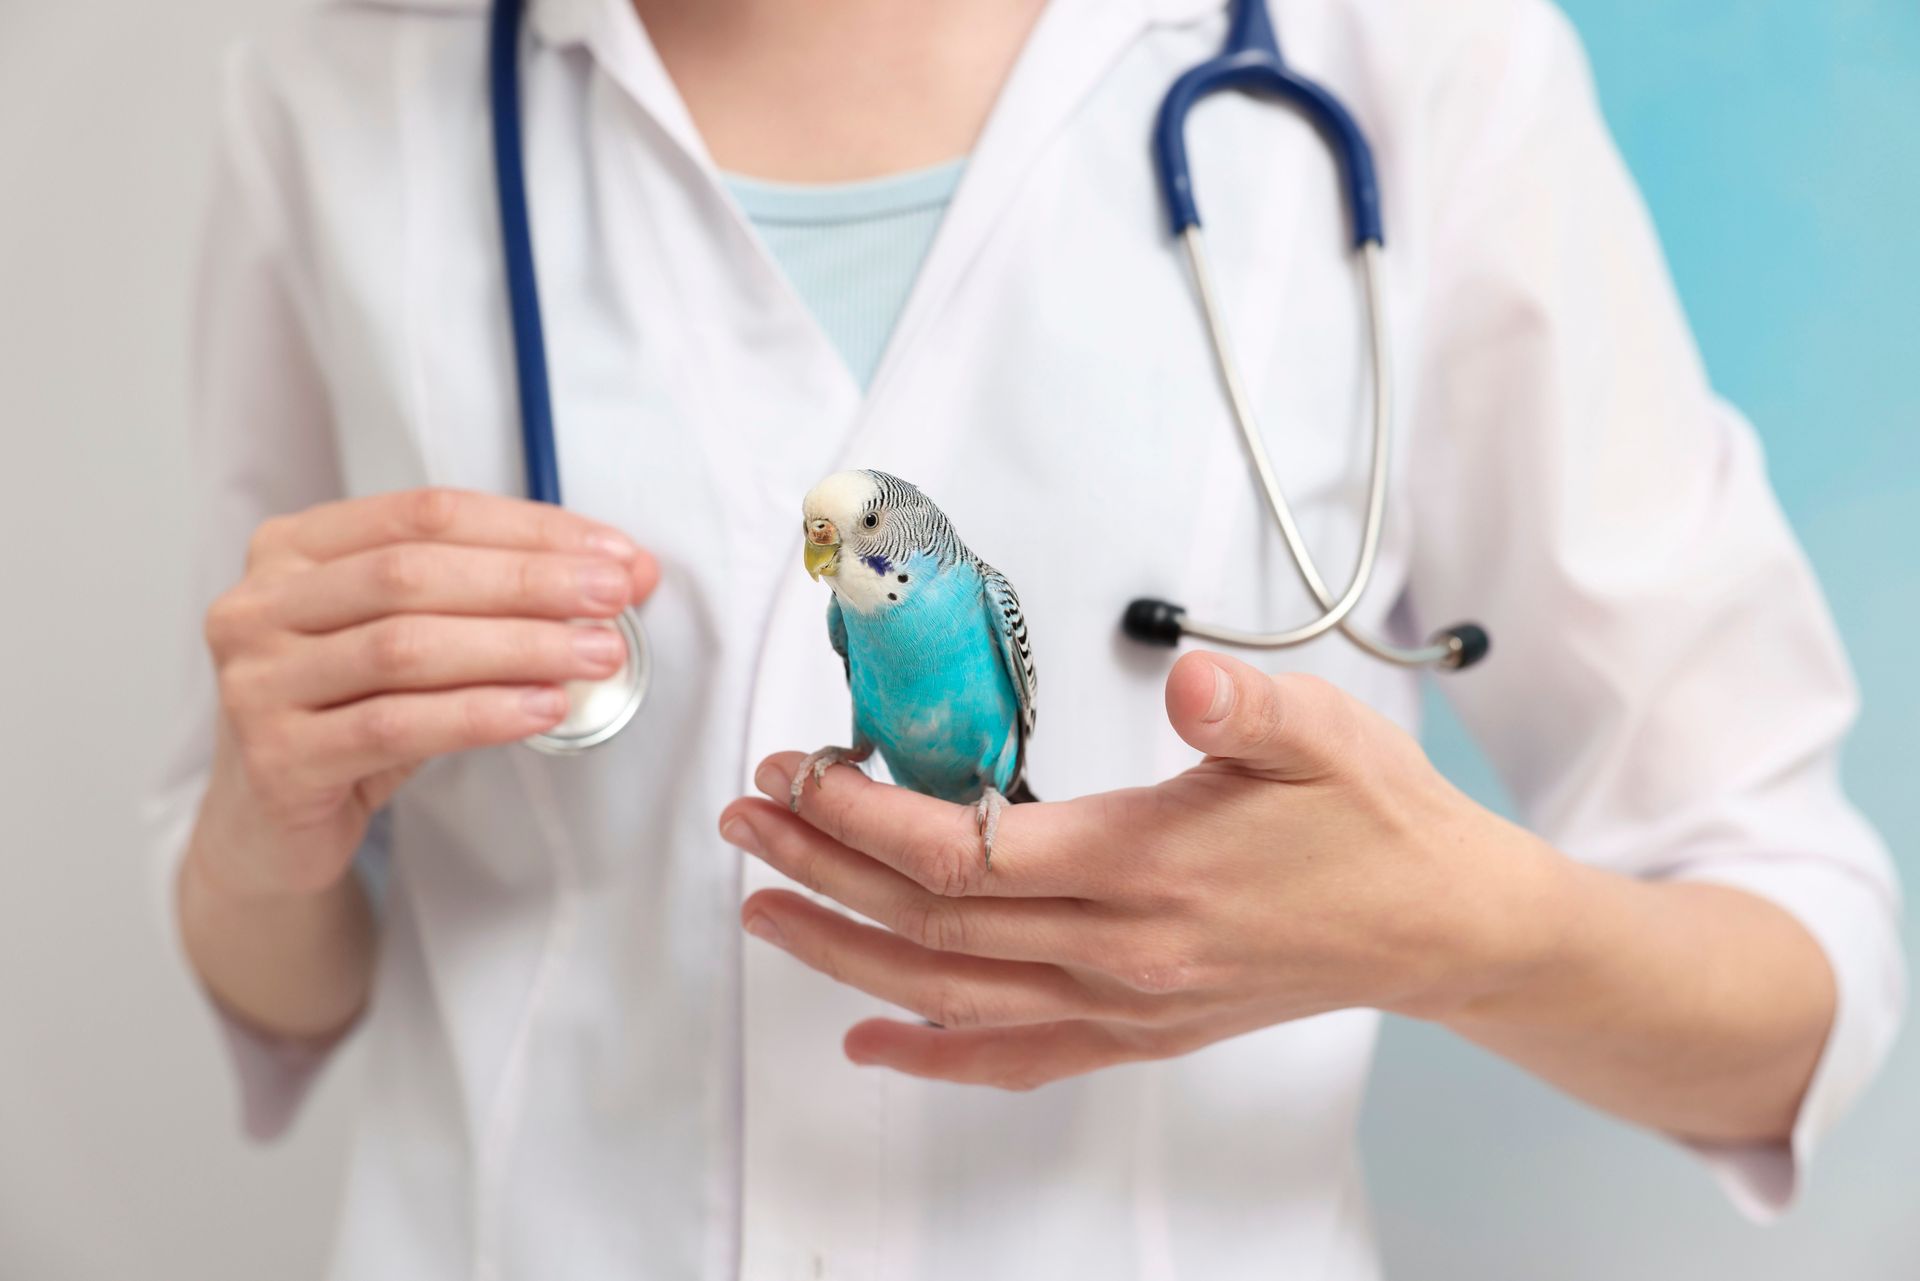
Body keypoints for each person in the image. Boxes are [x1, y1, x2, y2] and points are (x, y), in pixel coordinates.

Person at [151, 0, 1904, 1276]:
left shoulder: (1406, 55)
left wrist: (1440, 927)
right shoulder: (335, 94)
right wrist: (262, 817)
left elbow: (1792, 986)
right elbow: (288, 976)